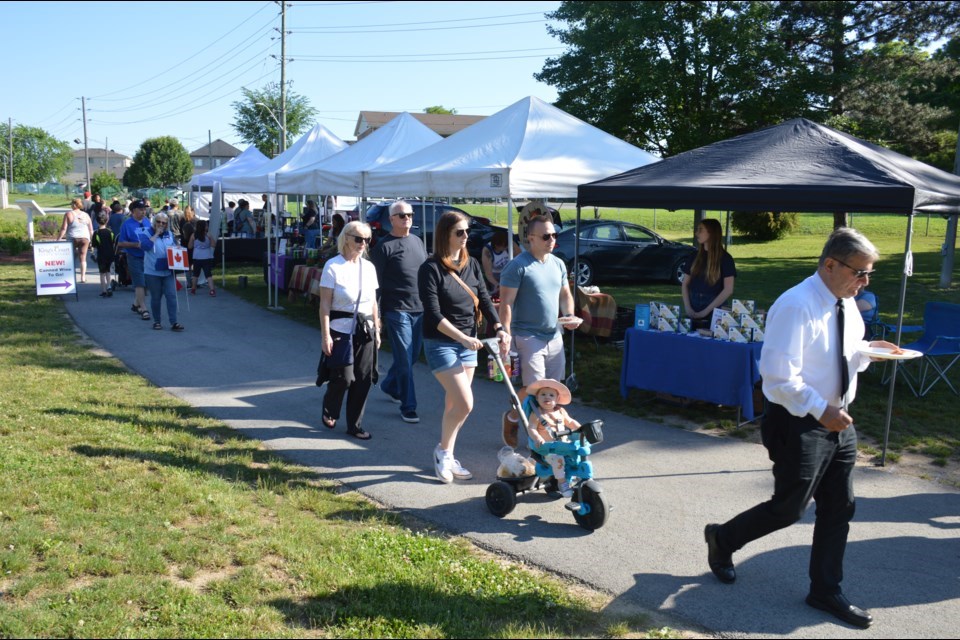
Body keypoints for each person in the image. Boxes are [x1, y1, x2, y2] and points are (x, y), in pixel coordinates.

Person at [703, 227, 903, 629]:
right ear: (830, 264)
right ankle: (722, 539)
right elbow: (777, 377)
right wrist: (820, 410)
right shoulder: (796, 305)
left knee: (840, 507)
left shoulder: (847, 305)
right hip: (798, 420)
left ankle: (825, 590)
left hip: (837, 419)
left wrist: (869, 355)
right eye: (859, 273)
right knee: (789, 508)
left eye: (868, 274)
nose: (864, 282)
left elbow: (844, 357)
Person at [418, 211, 510, 483]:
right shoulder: (430, 268)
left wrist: (499, 327)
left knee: (453, 403)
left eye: (467, 231)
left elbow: (483, 297)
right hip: (442, 343)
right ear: (445, 234)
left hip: (468, 342)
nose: (466, 236)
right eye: (460, 232)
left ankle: (447, 452)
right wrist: (461, 337)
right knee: (465, 403)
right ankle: (442, 452)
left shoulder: (470, 264)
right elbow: (433, 315)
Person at [498, 214, 580, 448]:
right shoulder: (517, 266)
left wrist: (569, 316)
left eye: (554, 235)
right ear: (530, 238)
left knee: (551, 390)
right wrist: (506, 333)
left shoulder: (558, 263)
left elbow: (565, 295)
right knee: (535, 391)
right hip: (527, 336)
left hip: (554, 335)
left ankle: (522, 421)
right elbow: (506, 303)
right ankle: (534, 434)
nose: (552, 240)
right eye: (546, 236)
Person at [316, 221, 381, 440]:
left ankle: (355, 425)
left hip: (365, 328)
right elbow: (324, 304)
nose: (363, 243)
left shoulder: (369, 267)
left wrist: (377, 329)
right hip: (340, 329)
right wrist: (325, 335)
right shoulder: (332, 266)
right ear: (346, 238)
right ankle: (330, 408)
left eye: (367, 239)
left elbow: (373, 302)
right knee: (344, 377)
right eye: (359, 239)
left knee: (363, 378)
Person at [370, 200, 428, 424]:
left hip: (419, 308)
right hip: (397, 310)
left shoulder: (417, 241)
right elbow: (376, 284)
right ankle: (409, 405)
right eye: (402, 215)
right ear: (391, 219)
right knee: (404, 358)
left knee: (412, 356)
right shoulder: (384, 247)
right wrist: (376, 317)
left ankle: (390, 385)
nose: (407, 219)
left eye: (410, 214)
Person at [524, 378, 581, 504]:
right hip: (546, 449)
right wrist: (537, 437)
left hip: (563, 446)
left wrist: (581, 429)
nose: (547, 397)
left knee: (578, 454)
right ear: (537, 398)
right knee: (558, 459)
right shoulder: (537, 413)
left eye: (551, 395)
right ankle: (562, 484)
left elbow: (570, 422)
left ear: (557, 399)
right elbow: (531, 428)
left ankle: (572, 477)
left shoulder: (560, 411)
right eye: (543, 394)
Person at [682, 218, 736, 329]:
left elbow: (728, 289)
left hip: (716, 309)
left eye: (700, 230)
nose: (696, 233)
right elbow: (685, 283)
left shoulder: (726, 259)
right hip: (693, 305)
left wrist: (705, 312)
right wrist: (688, 307)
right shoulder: (694, 256)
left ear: (711, 233)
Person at [140, 212, 184, 332]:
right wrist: (156, 234)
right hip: (152, 272)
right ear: (154, 222)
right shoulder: (146, 233)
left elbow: (175, 247)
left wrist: (178, 249)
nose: (161, 224)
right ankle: (157, 321)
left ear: (166, 224)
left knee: (171, 295)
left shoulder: (169, 234)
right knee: (156, 297)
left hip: (167, 271)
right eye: (158, 222)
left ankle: (174, 322)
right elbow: (145, 246)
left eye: (164, 223)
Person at [116, 200, 153, 321]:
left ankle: (135, 304)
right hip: (134, 257)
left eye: (144, 209)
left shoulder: (147, 221)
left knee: (147, 283)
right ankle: (144, 308)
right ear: (133, 211)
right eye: (140, 210)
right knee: (139, 283)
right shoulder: (127, 224)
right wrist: (135, 245)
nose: (143, 212)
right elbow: (120, 243)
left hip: (147, 256)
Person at [57, 197, 94, 284]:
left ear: (74, 205)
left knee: (70, 258)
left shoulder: (69, 214)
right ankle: (83, 277)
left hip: (72, 237)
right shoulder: (86, 215)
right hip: (85, 237)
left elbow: (63, 228)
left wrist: (58, 239)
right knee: (83, 257)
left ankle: (70, 276)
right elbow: (91, 229)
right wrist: (91, 240)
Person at [481, 227, 521, 299]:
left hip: (508, 272)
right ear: (497, 246)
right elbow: (488, 274)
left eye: (507, 245)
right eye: (504, 246)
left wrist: (512, 243)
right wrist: (497, 284)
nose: (506, 248)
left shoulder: (509, 244)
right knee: (500, 293)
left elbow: (520, 256)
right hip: (495, 275)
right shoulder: (487, 251)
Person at [189, 219, 217, 296]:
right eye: (206, 225)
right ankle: (212, 290)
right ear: (204, 227)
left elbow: (190, 246)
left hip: (197, 257)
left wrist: (196, 245)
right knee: (208, 274)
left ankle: (193, 289)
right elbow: (213, 245)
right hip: (207, 256)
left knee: (195, 274)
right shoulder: (208, 235)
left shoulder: (193, 235)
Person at [91, 211, 115, 298]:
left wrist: (93, 253)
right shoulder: (110, 232)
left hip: (101, 255)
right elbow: (113, 243)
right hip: (110, 254)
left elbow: (94, 245)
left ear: (97, 221)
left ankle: (104, 290)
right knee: (108, 272)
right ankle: (109, 287)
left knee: (102, 273)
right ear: (107, 220)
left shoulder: (96, 233)